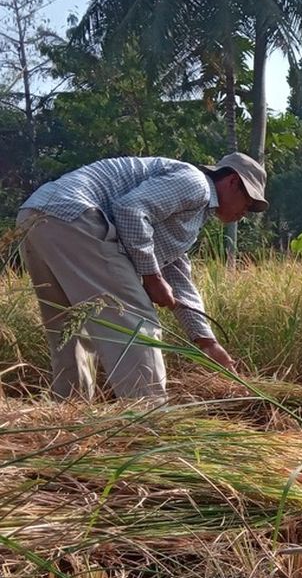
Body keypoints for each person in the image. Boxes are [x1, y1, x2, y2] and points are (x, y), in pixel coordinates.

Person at [15, 152, 268, 400]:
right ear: (233, 181)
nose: (244, 213)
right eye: (248, 203)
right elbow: (130, 209)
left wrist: (208, 343)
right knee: (136, 321)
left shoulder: (189, 215)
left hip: (37, 215)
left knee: (70, 328)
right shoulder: (196, 184)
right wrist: (152, 278)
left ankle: (70, 415)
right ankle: (149, 417)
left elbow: (178, 276)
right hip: (77, 215)